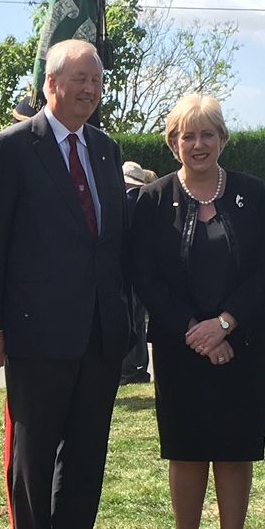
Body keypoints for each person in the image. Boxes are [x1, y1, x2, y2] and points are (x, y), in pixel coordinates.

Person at [0, 39, 129, 529]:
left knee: (86, 449)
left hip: (100, 331)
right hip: (36, 332)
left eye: (96, 81)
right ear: (51, 85)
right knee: (35, 450)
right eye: (79, 79)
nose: (90, 90)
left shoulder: (104, 149)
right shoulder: (12, 147)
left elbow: (111, 241)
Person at [129, 96, 265, 529]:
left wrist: (225, 325)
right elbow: (146, 278)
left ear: (223, 139)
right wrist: (196, 331)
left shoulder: (251, 193)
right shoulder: (152, 200)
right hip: (180, 348)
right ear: (173, 143)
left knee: (234, 454)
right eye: (187, 136)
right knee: (188, 453)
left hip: (244, 346)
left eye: (207, 134)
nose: (198, 144)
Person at [119, 161, 154, 385]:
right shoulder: (149, 201)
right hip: (145, 272)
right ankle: (140, 367)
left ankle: (129, 369)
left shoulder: (127, 203)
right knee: (138, 320)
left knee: (128, 319)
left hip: (126, 273)